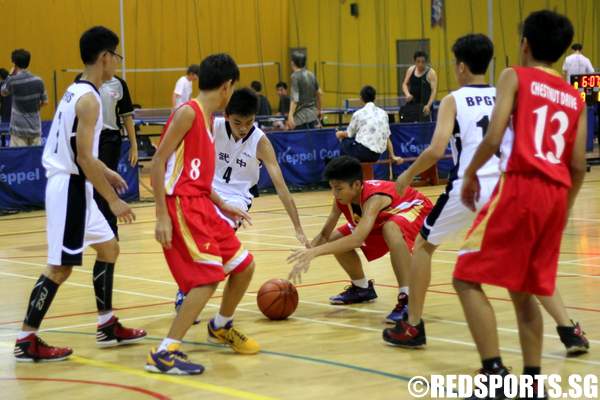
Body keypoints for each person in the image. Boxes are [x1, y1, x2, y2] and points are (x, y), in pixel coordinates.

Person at [382, 33, 589, 356]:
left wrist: (407, 174)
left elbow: (437, 149)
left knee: (423, 246)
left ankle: (413, 325)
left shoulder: (454, 99)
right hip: (508, 185)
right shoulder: (507, 91)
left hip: (471, 184)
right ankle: (569, 330)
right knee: (527, 263)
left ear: (461, 67)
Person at [454, 11, 587, 396]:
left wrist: (470, 174)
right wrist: (565, 209)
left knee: (464, 277)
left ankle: (494, 372)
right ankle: (531, 381)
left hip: (521, 186)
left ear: (524, 44)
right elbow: (578, 165)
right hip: (555, 195)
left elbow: (493, 139)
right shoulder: (574, 96)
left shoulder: (514, 76)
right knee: (524, 287)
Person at [13, 26, 144, 363]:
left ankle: (106, 324)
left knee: (109, 248)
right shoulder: (90, 100)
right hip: (69, 187)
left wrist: (107, 172)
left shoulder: (76, 90)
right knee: (60, 268)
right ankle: (27, 338)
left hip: (76, 184)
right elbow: (83, 158)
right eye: (116, 55)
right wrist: (113, 200)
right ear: (105, 57)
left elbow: (81, 151)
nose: (117, 61)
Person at [147, 54, 259, 376]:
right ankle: (166, 352)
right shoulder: (187, 113)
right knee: (208, 278)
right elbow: (157, 163)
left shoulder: (209, 119)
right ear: (227, 86)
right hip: (182, 205)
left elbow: (197, 175)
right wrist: (160, 216)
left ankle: (220, 325)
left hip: (203, 203)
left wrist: (222, 203)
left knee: (244, 265)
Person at [174, 87, 310, 315]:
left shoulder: (260, 142)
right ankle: (187, 289)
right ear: (226, 115)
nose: (243, 128)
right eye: (237, 122)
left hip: (237, 200)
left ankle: (188, 292)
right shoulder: (212, 126)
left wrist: (297, 226)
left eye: (249, 122)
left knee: (214, 248)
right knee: (200, 246)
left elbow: (281, 187)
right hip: (207, 190)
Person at [287, 156, 433, 324]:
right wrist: (306, 252)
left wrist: (314, 252)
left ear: (356, 185)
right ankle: (361, 288)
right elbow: (325, 235)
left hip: (414, 208)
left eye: (339, 189)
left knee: (391, 228)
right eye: (332, 188)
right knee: (335, 239)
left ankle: (407, 298)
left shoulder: (374, 198)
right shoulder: (341, 199)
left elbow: (357, 239)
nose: (335, 194)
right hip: (385, 216)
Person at [336, 85, 403, 163]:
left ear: (361, 98)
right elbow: (387, 137)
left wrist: (339, 134)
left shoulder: (358, 114)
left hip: (362, 152)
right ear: (375, 98)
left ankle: (344, 173)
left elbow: (348, 134)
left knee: (345, 143)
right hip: (376, 156)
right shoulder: (384, 113)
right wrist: (393, 156)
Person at [0, 49, 48, 147]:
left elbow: (3, 92)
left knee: (19, 161)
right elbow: (45, 102)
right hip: (35, 128)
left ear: (14, 63)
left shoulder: (12, 81)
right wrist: (35, 108)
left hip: (18, 131)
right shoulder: (39, 81)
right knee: (34, 160)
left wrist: (9, 75)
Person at [401, 51, 438, 123]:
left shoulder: (431, 73)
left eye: (423, 62)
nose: (420, 64)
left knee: (425, 128)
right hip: (412, 105)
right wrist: (407, 94)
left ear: (426, 62)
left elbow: (434, 91)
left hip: (425, 106)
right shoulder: (411, 70)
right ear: (415, 61)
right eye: (418, 61)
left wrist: (428, 105)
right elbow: (404, 84)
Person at [288, 52, 321, 130]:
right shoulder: (311, 74)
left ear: (292, 63)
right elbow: (319, 93)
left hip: (300, 118)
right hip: (313, 116)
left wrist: (290, 115)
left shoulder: (294, 76)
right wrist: (319, 110)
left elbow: (295, 99)